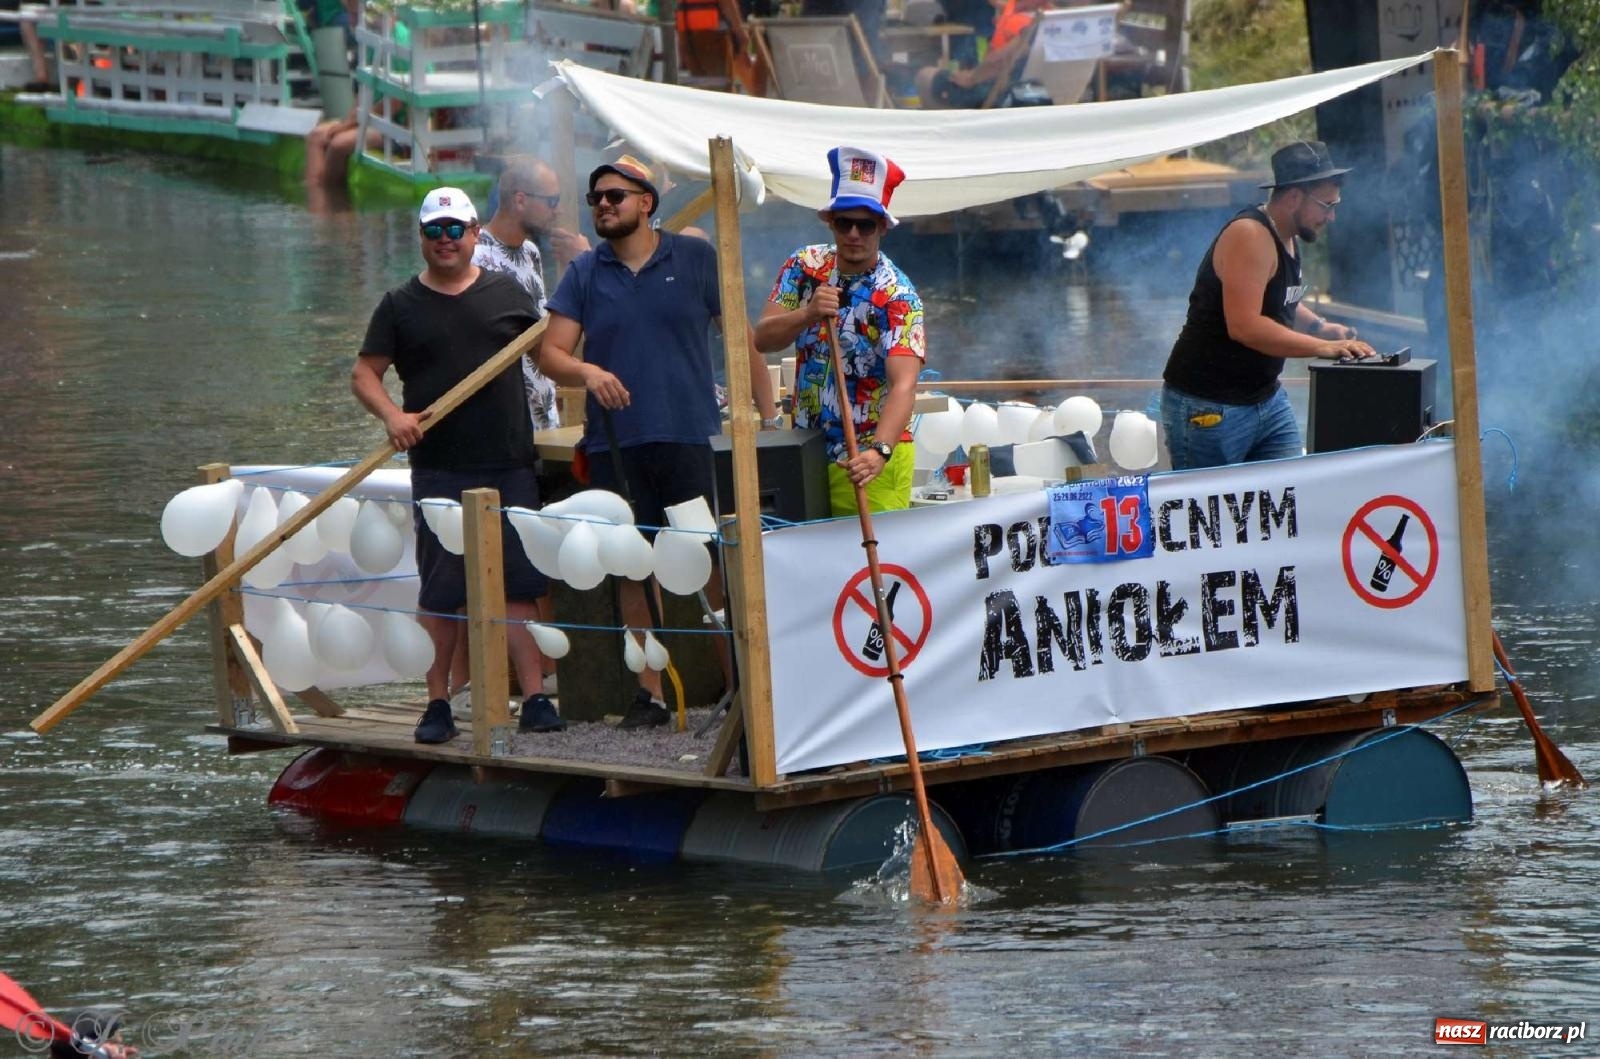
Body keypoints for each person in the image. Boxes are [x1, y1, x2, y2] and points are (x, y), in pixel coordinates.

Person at [539, 154, 778, 729]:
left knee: (707, 559)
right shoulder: (585, 272)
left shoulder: (694, 257)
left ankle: (738, 687)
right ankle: (648, 693)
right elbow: (550, 353)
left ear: (647, 202)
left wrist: (768, 415)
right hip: (615, 444)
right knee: (631, 566)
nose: (602, 205)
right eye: (595, 197)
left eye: (615, 196)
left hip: (687, 433)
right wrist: (589, 373)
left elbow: (738, 337)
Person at [352, 187, 565, 742]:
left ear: (475, 234)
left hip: (509, 461)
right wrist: (393, 416)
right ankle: (438, 704)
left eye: (455, 230)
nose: (445, 241)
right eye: (434, 232)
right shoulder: (399, 305)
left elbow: (550, 354)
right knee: (442, 590)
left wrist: (589, 367)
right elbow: (364, 374)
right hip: (440, 466)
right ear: (422, 239)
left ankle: (537, 698)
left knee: (520, 585)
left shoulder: (509, 293)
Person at [1159, 140, 1377, 471]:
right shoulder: (1250, 236)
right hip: (1210, 405)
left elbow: (1280, 295)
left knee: (1291, 497)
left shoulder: (1289, 233)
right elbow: (1245, 325)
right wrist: (1325, 347)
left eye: (1336, 205)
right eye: (1326, 205)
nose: (1331, 216)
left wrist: (1319, 326)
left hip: (1266, 400)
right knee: (1212, 515)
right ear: (1293, 197)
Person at [754, 145, 924, 516]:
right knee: (815, 565)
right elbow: (763, 338)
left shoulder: (898, 295)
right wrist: (808, 314)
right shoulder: (803, 266)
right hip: (807, 447)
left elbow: (904, 384)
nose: (853, 233)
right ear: (830, 221)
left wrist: (879, 452)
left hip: (870, 452)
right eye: (843, 222)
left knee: (866, 568)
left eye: (864, 225)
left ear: (881, 226)